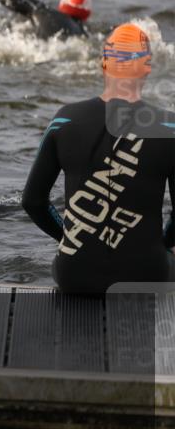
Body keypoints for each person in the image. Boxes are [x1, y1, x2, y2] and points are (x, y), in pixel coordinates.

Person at [22, 23, 175, 294]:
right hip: (145, 275)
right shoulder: (168, 127)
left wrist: (70, 236)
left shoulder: (64, 119)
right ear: (147, 68)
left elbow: (33, 201)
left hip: (75, 276)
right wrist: (162, 242)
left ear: (104, 64)